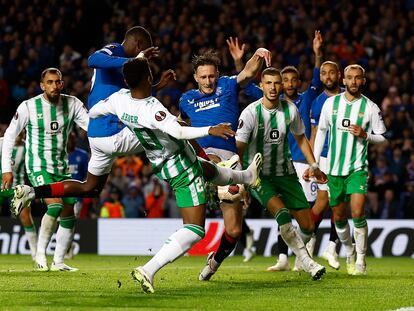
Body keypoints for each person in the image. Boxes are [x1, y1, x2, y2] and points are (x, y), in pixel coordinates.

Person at [88, 57, 263, 293]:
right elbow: (179, 131)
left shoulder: (119, 99)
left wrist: (119, 123)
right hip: (179, 165)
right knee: (195, 229)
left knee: (208, 169)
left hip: (162, 161)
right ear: (148, 78)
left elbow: (95, 111)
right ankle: (148, 269)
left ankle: (246, 176)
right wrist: (210, 129)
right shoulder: (152, 108)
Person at [8, 26, 173, 206]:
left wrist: (157, 86)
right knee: (171, 127)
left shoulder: (124, 68)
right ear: (138, 44)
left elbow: (136, 94)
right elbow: (92, 59)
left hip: (97, 135)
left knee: (90, 188)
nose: (144, 60)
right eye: (144, 52)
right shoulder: (116, 50)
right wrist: (135, 60)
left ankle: (31, 192)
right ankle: (193, 171)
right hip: (113, 132)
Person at [179, 46, 271, 281]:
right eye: (203, 77)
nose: (208, 81)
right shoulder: (187, 99)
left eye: (211, 76)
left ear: (218, 74)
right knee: (193, 226)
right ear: (195, 78)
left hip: (230, 161)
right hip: (201, 158)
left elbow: (249, 73)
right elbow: (178, 125)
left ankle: (214, 261)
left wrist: (258, 53)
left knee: (234, 230)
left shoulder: (228, 85)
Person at [236, 67, 327, 280]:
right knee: (283, 215)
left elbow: (302, 139)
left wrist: (314, 166)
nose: (273, 87)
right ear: (261, 85)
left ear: (282, 85)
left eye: (277, 83)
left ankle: (299, 258)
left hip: (286, 174)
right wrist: (242, 181)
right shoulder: (250, 113)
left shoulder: (290, 109)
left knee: (308, 226)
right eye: (269, 83)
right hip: (259, 176)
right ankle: (308, 262)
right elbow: (238, 149)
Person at [1, 67, 88, 271]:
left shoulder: (72, 103)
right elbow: (10, 135)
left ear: (62, 84)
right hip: (38, 166)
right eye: (49, 82)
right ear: (42, 86)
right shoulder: (28, 107)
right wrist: (7, 168)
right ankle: (40, 254)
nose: (54, 86)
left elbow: (91, 127)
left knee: (69, 212)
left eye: (57, 82)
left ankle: (58, 262)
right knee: (55, 206)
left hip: (61, 168)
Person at [312, 64, 387, 275]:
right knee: (339, 217)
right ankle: (349, 251)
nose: (353, 81)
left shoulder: (371, 107)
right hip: (334, 170)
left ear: (363, 80)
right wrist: (315, 163)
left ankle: (361, 260)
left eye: (357, 78)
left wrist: (366, 135)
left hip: (357, 169)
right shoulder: (330, 103)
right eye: (349, 78)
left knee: (357, 212)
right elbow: (321, 133)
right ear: (343, 80)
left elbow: (383, 139)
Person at [308, 61, 343, 270]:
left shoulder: (351, 98)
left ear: (338, 75)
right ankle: (312, 244)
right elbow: (313, 134)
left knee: (338, 202)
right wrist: (313, 163)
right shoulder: (318, 103)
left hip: (346, 157)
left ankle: (330, 247)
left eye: (332, 73)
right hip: (325, 157)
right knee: (323, 202)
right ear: (320, 77)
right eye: (324, 73)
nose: (328, 76)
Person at [0, 134, 38, 260]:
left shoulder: (28, 147)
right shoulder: (2, 143)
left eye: (20, 133)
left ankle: (35, 253)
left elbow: (34, 167)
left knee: (26, 217)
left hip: (17, 188)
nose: (17, 135)